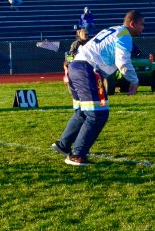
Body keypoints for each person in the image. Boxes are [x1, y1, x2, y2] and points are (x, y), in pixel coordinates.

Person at [52, 10, 145, 166]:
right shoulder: (124, 35)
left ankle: (63, 144)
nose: (143, 28)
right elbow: (122, 61)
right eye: (142, 24)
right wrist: (134, 80)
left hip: (76, 66)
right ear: (132, 23)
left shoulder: (113, 29)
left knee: (83, 112)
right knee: (98, 114)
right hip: (88, 70)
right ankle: (76, 154)